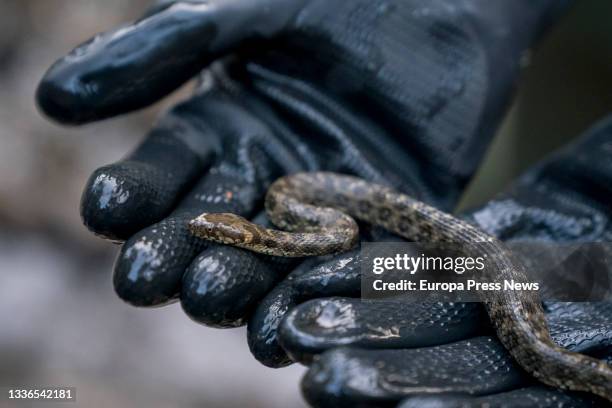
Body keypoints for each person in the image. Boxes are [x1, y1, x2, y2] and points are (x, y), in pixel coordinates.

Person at [38, 0, 610, 406]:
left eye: (217, 231)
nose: (210, 230)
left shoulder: (297, 220)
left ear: (241, 233)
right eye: (218, 231)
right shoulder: (295, 208)